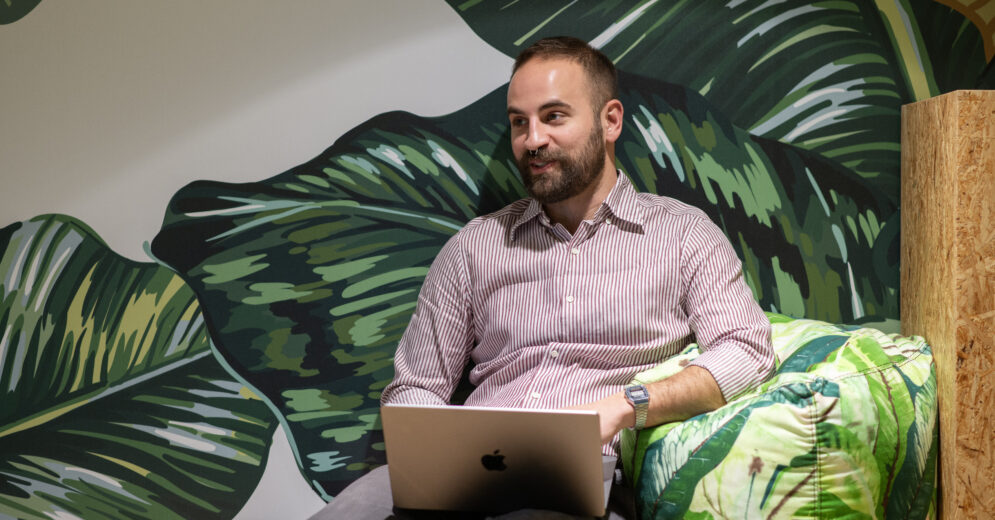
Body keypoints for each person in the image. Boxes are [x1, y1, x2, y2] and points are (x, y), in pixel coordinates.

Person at [311, 36, 774, 520]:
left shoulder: (683, 234)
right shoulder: (475, 246)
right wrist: (437, 452)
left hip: (584, 480)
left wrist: (626, 406)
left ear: (610, 121)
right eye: (519, 122)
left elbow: (747, 349)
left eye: (553, 117)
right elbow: (416, 385)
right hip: (462, 471)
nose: (532, 140)